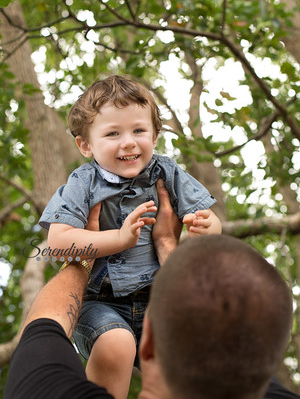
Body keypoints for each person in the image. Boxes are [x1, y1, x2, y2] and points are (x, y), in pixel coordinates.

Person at [4, 181, 299, 399]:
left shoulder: (48, 389)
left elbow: (44, 325)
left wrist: (84, 257)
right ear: (267, 360)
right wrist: (166, 243)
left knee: (114, 343)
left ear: (148, 343)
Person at [38, 75, 222, 398]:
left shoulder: (166, 172)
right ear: (85, 145)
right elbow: (57, 241)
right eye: (113, 133)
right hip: (99, 301)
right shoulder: (84, 182)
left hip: (157, 296)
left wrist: (206, 227)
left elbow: (212, 224)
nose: (129, 142)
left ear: (155, 134)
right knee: (116, 344)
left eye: (139, 130)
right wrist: (120, 239)